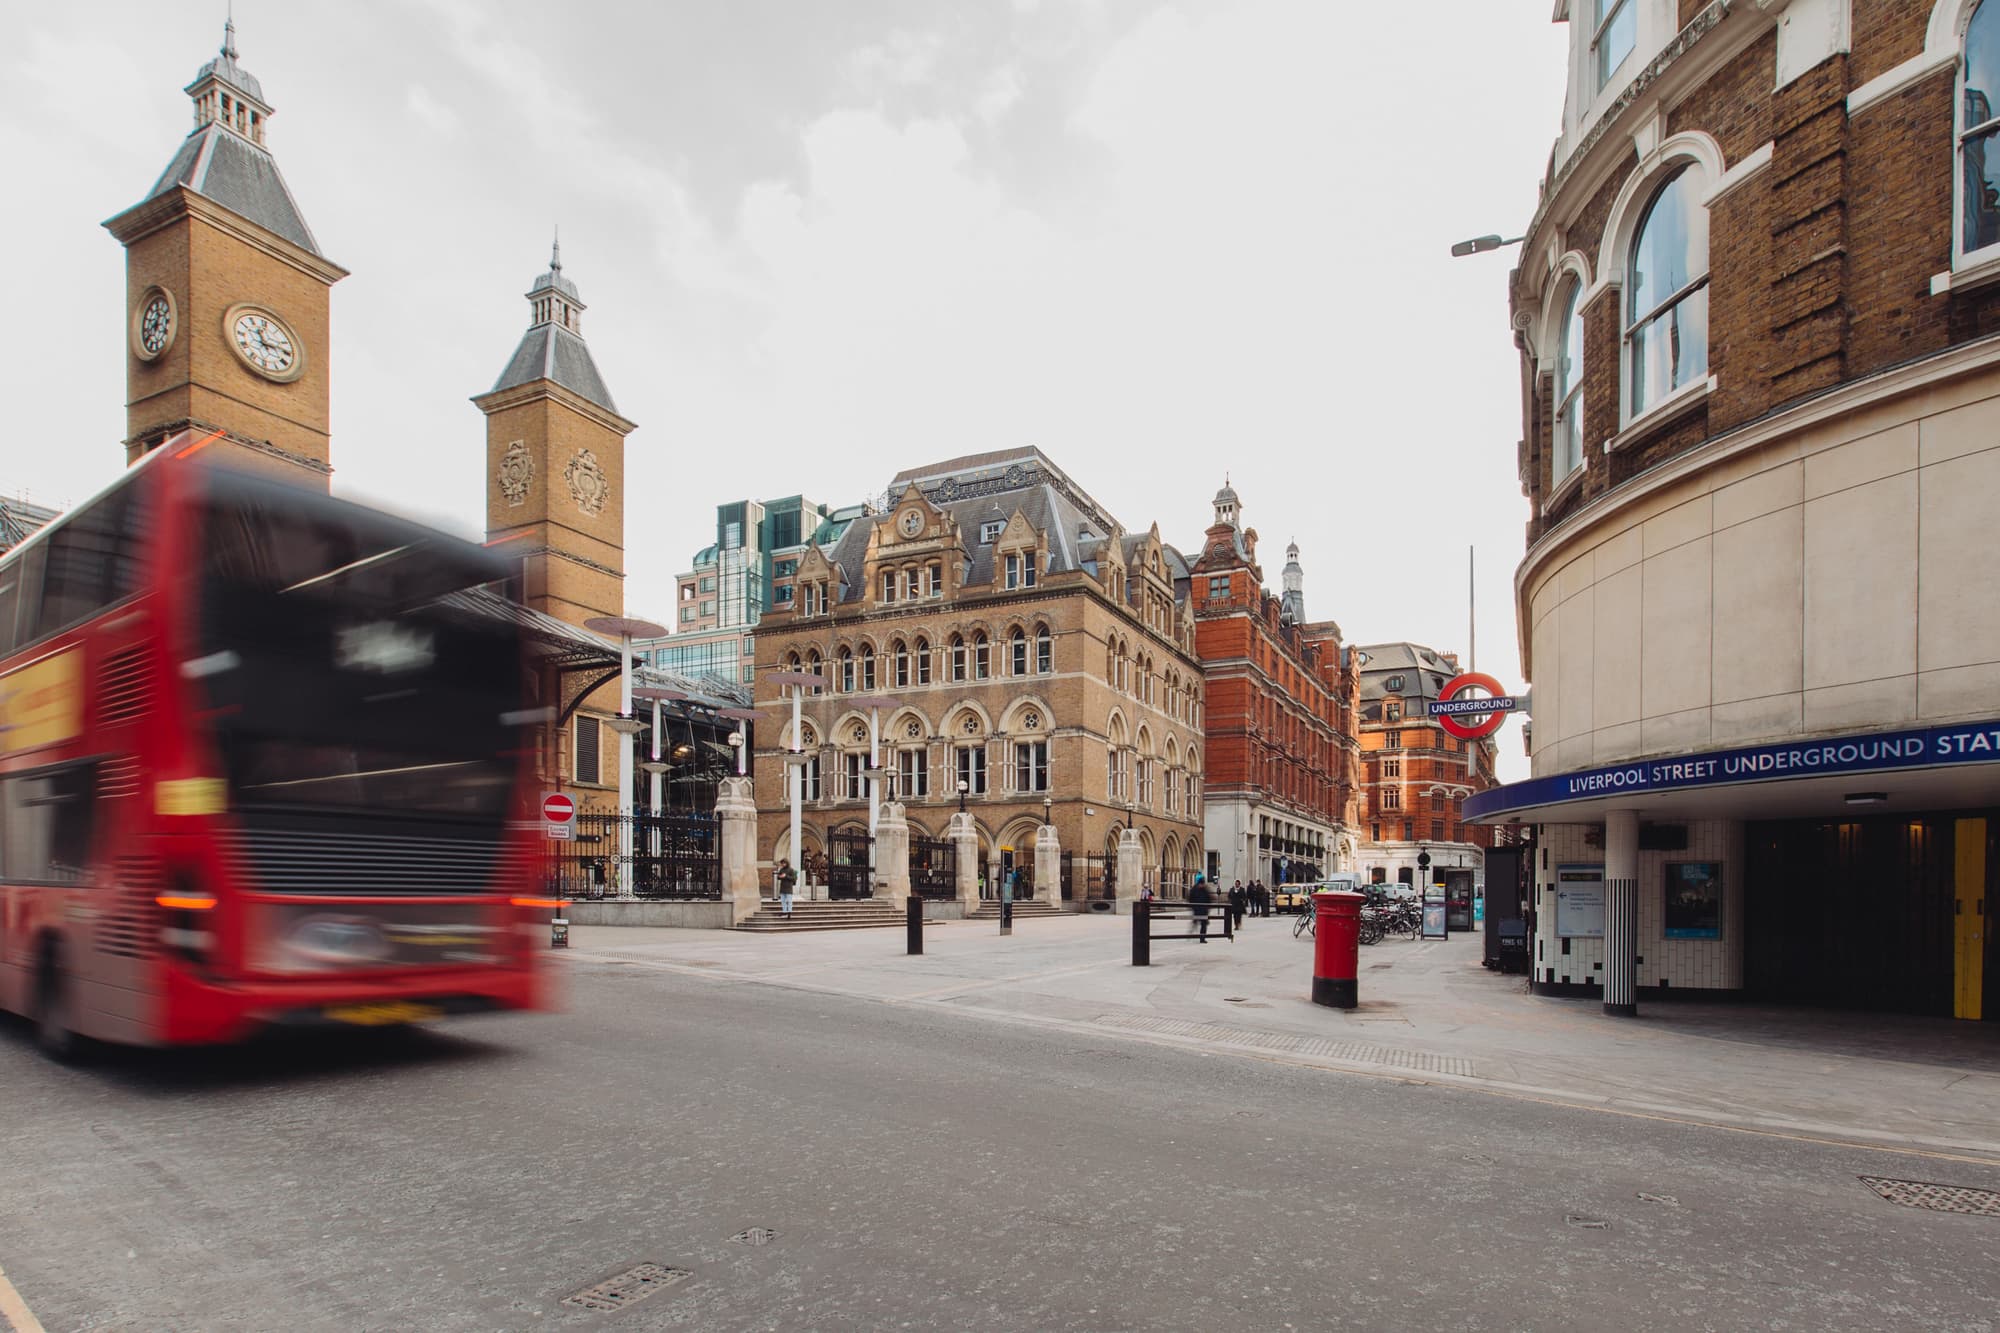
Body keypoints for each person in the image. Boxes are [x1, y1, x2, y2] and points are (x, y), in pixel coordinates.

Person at [1189, 873, 1212, 943]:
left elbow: (1209, 898)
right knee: (1195, 922)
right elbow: (1190, 898)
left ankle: (1202, 938)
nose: (1202, 885)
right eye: (1201, 884)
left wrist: (1208, 907)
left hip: (1204, 910)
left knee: (1204, 924)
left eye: (1203, 884)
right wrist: (1193, 907)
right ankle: (1191, 933)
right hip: (1197, 909)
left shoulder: (1205, 889)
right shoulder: (1194, 889)